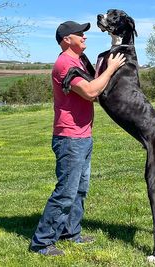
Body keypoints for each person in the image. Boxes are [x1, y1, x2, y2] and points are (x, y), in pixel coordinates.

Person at [29, 21, 126, 256]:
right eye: (79, 34)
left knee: (80, 190)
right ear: (66, 40)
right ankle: (41, 242)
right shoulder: (64, 64)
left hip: (83, 135)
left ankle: (71, 232)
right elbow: (92, 91)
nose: (84, 37)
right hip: (69, 138)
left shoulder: (80, 61)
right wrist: (111, 68)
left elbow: (95, 87)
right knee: (66, 191)